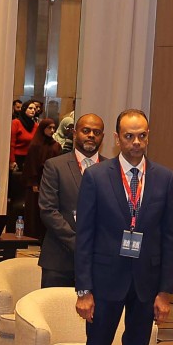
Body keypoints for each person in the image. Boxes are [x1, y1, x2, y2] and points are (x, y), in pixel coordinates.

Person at [72, 109, 173, 345]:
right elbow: (84, 237)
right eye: (129, 136)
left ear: (148, 136)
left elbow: (170, 238)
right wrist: (84, 290)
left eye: (142, 135)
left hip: (145, 283)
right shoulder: (96, 177)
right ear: (117, 138)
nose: (136, 142)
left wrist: (165, 291)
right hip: (104, 281)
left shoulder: (164, 178)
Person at [38, 113, 104, 288]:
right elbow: (48, 210)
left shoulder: (112, 169)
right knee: (54, 306)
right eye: (86, 131)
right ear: (75, 134)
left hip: (99, 260)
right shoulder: (54, 166)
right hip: (59, 259)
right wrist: (79, 243)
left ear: (102, 137)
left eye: (97, 132)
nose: (91, 135)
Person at [18, 116, 62, 239]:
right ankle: (33, 236)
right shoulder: (35, 145)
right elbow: (31, 165)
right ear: (43, 129)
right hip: (36, 182)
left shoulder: (56, 146)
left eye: (53, 128)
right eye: (49, 128)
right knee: (34, 210)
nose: (52, 130)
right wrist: (33, 183)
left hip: (51, 182)